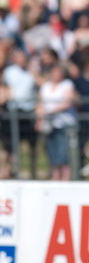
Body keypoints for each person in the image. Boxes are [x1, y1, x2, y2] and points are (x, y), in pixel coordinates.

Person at [36, 64, 77, 180]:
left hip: (63, 124)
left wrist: (50, 111)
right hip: (49, 124)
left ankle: (65, 178)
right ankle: (55, 176)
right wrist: (41, 116)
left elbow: (67, 102)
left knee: (63, 153)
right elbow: (39, 103)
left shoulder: (67, 85)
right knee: (52, 152)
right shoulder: (45, 86)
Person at [2, 48, 38, 178]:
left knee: (32, 143)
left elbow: (39, 83)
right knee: (9, 145)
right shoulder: (9, 72)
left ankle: (32, 172)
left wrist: (33, 71)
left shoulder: (30, 72)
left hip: (28, 111)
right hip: (13, 111)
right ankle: (8, 171)